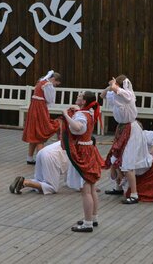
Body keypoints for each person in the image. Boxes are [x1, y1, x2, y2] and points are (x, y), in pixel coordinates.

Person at [102, 75, 153, 204]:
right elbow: (102, 95)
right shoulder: (116, 95)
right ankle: (119, 187)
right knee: (116, 157)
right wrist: (110, 86)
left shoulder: (127, 94)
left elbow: (119, 91)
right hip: (122, 128)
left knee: (128, 162)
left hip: (131, 130)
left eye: (116, 86)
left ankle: (134, 194)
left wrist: (114, 85)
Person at [61, 91, 103, 232]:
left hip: (82, 151)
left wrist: (66, 115)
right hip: (89, 148)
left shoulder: (81, 115)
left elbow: (78, 128)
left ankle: (87, 223)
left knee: (85, 190)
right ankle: (93, 217)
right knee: (91, 187)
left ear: (84, 101)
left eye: (79, 97)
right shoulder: (90, 112)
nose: (77, 98)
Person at [22, 70, 61, 164]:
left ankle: (29, 158)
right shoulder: (48, 85)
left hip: (34, 108)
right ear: (54, 79)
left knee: (34, 133)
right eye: (56, 83)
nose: (55, 85)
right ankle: (41, 160)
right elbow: (49, 99)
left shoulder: (41, 82)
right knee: (40, 134)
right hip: (40, 109)